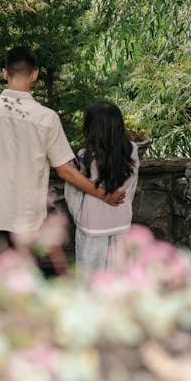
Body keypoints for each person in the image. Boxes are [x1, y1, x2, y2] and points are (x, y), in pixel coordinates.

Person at [0, 46, 125, 266]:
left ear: (4, 73)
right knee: (24, 286)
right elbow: (65, 170)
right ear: (34, 75)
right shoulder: (47, 118)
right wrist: (104, 194)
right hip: (29, 221)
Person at [64, 100, 139, 273]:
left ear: (91, 128)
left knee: (90, 276)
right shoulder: (132, 150)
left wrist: (78, 216)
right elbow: (132, 186)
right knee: (121, 275)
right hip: (121, 221)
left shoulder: (85, 156)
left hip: (92, 225)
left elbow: (76, 187)